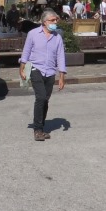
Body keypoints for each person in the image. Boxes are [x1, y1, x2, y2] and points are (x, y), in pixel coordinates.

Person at [18, 9, 66, 142]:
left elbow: (60, 57)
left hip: (50, 72)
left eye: (56, 20)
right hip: (36, 69)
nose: (55, 22)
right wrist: (21, 69)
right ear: (44, 22)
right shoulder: (33, 34)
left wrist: (61, 77)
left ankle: (41, 126)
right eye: (52, 20)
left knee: (46, 99)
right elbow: (26, 52)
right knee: (41, 97)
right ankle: (38, 129)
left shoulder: (57, 37)